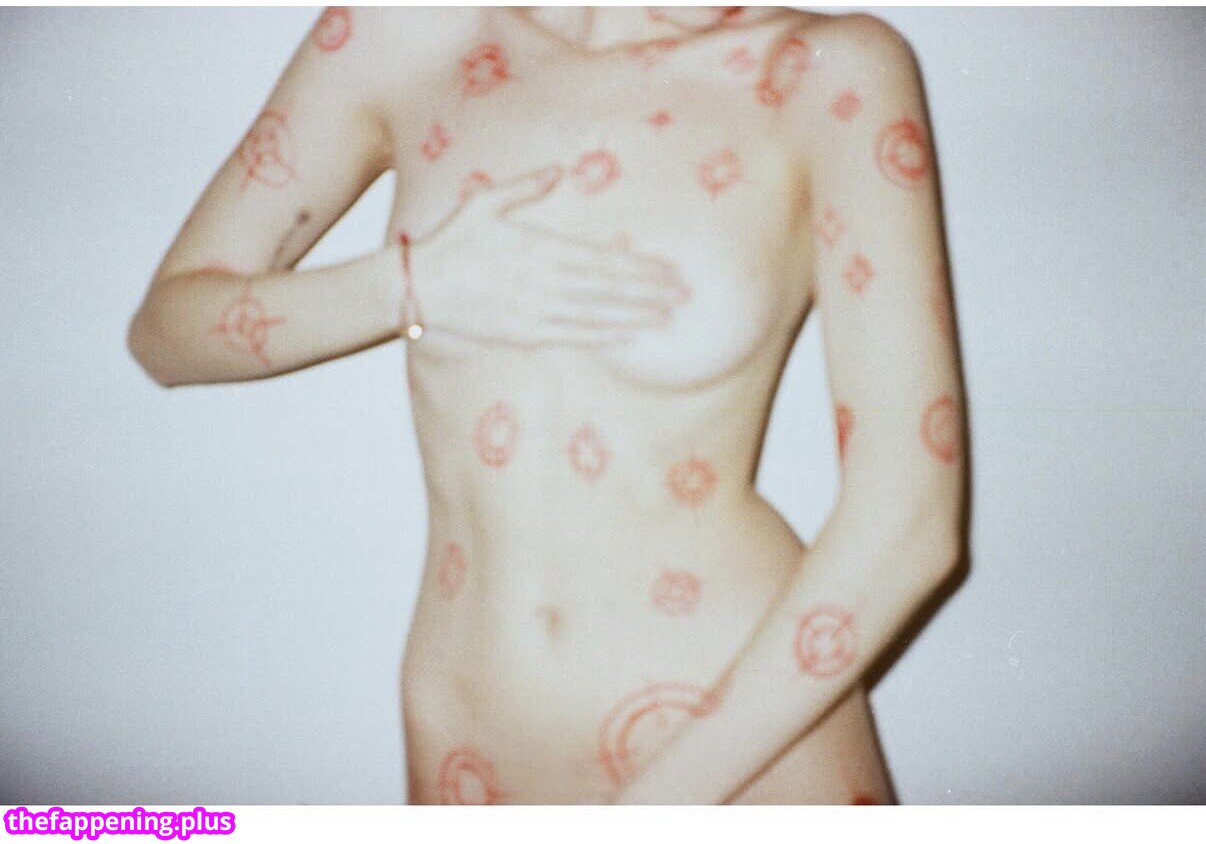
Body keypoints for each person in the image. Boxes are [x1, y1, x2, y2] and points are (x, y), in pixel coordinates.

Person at [127, 6, 967, 804]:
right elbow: (165, 333)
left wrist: (654, 810)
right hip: (469, 738)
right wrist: (411, 285)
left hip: (735, 755)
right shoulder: (405, 34)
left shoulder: (823, 73)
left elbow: (910, 525)